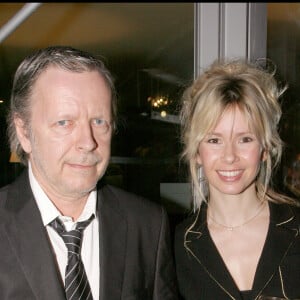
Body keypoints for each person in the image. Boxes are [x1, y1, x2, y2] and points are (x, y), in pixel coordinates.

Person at [0, 45, 179, 300]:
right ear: (24, 132)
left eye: (99, 121)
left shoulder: (148, 225)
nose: (88, 142)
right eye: (64, 122)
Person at [174, 59, 300, 300]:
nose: (229, 156)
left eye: (245, 139)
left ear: (265, 148)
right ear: (196, 151)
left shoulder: (297, 229)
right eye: (214, 140)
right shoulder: (176, 247)